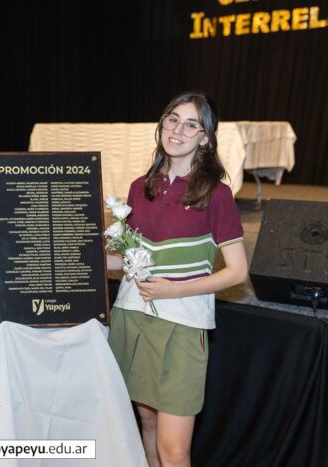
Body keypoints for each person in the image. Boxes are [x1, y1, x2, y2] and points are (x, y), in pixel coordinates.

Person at [107, 91, 248, 467]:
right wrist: (73, 257)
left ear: (206, 138)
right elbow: (127, 260)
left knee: (174, 450)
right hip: (131, 315)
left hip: (182, 324)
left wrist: (176, 290)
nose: (178, 130)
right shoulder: (140, 186)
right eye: (172, 119)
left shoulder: (216, 194)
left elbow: (237, 272)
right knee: (147, 421)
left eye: (191, 125)